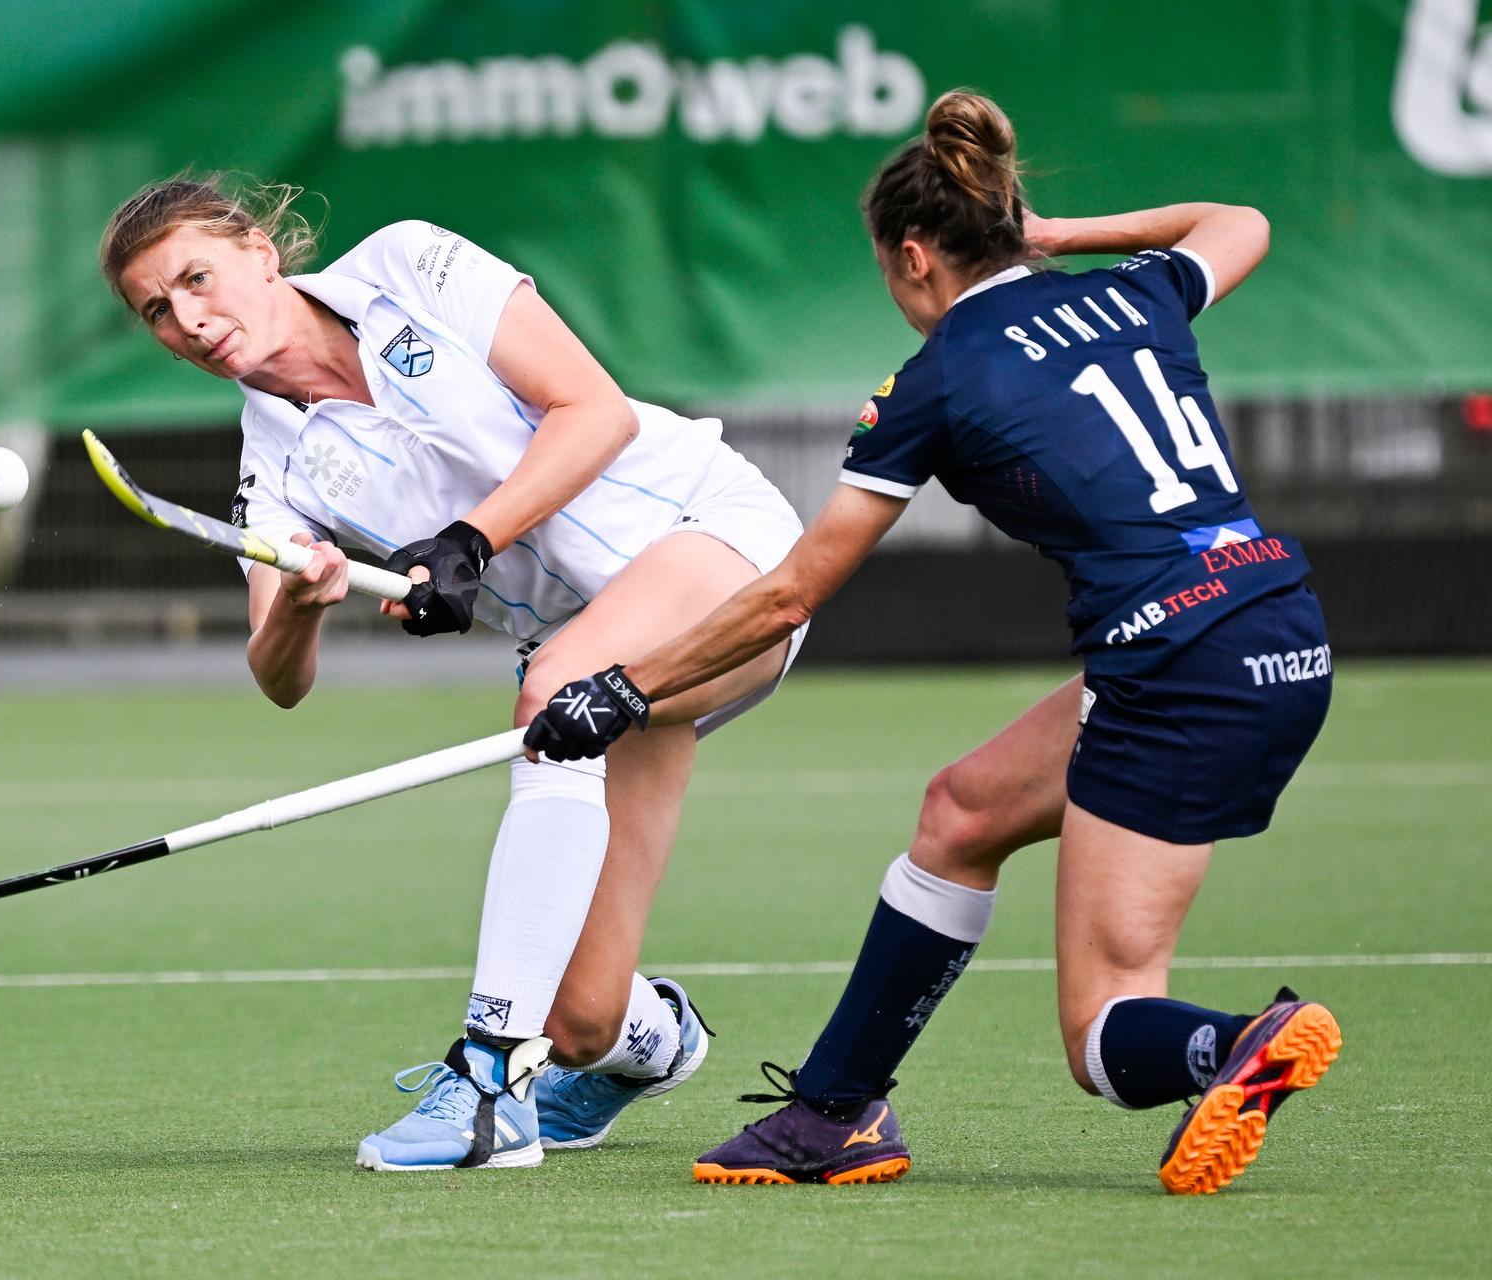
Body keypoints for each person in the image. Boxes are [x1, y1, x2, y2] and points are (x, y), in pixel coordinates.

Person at [523, 89, 1340, 1195]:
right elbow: (1240, 218)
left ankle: (1232, 1044)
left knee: (1103, 1030)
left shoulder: (941, 374)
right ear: (1012, 226)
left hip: (1175, 665)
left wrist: (621, 683)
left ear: (913, 256)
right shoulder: (1134, 291)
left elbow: (789, 594)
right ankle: (833, 1110)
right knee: (961, 811)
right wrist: (1061, 238)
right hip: (1274, 621)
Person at [99, 176, 806, 1171]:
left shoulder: (407, 266)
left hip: (720, 547)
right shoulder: (275, 469)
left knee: (552, 687)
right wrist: (304, 599)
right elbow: (277, 674)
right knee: (585, 1015)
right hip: (600, 657)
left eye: (196, 278)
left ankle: (488, 1079)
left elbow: (593, 410)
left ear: (261, 252)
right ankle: (655, 1040)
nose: (189, 319)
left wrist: (470, 540)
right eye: (157, 312)